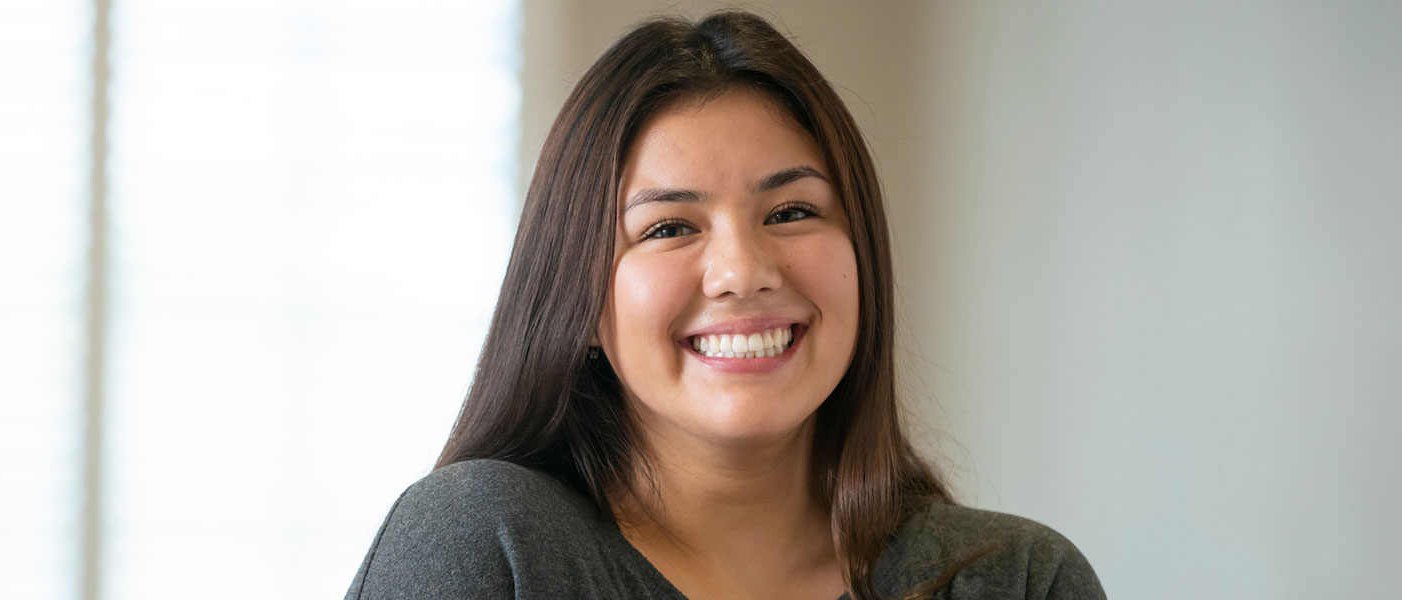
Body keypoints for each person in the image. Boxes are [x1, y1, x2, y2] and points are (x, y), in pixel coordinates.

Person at [345, 10, 1105, 600]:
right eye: (669, 227)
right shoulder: (487, 542)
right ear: (575, 295)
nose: (742, 272)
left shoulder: (1018, 580)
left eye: (792, 212)